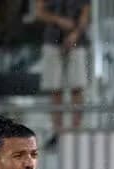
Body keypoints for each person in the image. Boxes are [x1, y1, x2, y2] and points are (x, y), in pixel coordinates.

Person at [35, 0, 92, 138]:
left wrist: (75, 34)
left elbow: (85, 15)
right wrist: (58, 20)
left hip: (77, 42)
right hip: (52, 40)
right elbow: (39, 12)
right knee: (55, 88)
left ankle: (76, 130)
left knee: (77, 86)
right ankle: (57, 131)